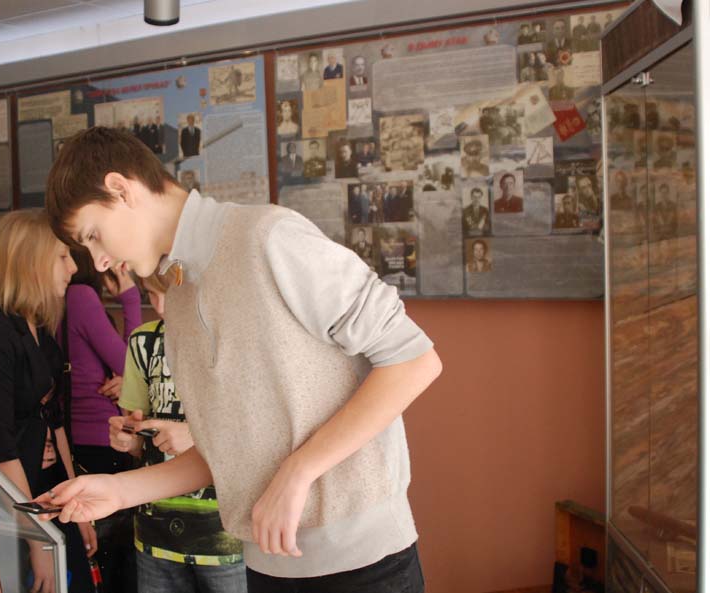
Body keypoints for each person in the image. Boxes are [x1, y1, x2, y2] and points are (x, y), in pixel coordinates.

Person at [40, 127, 441, 592]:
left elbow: (415, 361)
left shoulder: (269, 237)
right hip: (265, 566)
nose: (99, 262)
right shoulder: (179, 298)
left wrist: (299, 471)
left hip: (365, 563)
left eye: (94, 236)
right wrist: (117, 491)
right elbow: (224, 452)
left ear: (121, 189)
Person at [0, 210, 96, 593]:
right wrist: (37, 538)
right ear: (29, 260)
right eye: (62, 257)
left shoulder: (39, 331)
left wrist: (78, 505)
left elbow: (56, 422)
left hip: (48, 494)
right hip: (13, 506)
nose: (73, 268)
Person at [111, 272, 246, 593]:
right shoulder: (143, 342)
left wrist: (196, 438)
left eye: (167, 294)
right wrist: (129, 440)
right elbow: (139, 441)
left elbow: (259, 435)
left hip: (227, 535)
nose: (159, 307)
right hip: (155, 531)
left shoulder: (236, 338)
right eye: (151, 294)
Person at [59, 248, 142, 593]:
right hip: (102, 438)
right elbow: (133, 364)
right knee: (117, 561)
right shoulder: (80, 296)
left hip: (77, 439)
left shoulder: (61, 298)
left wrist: (127, 380)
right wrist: (131, 298)